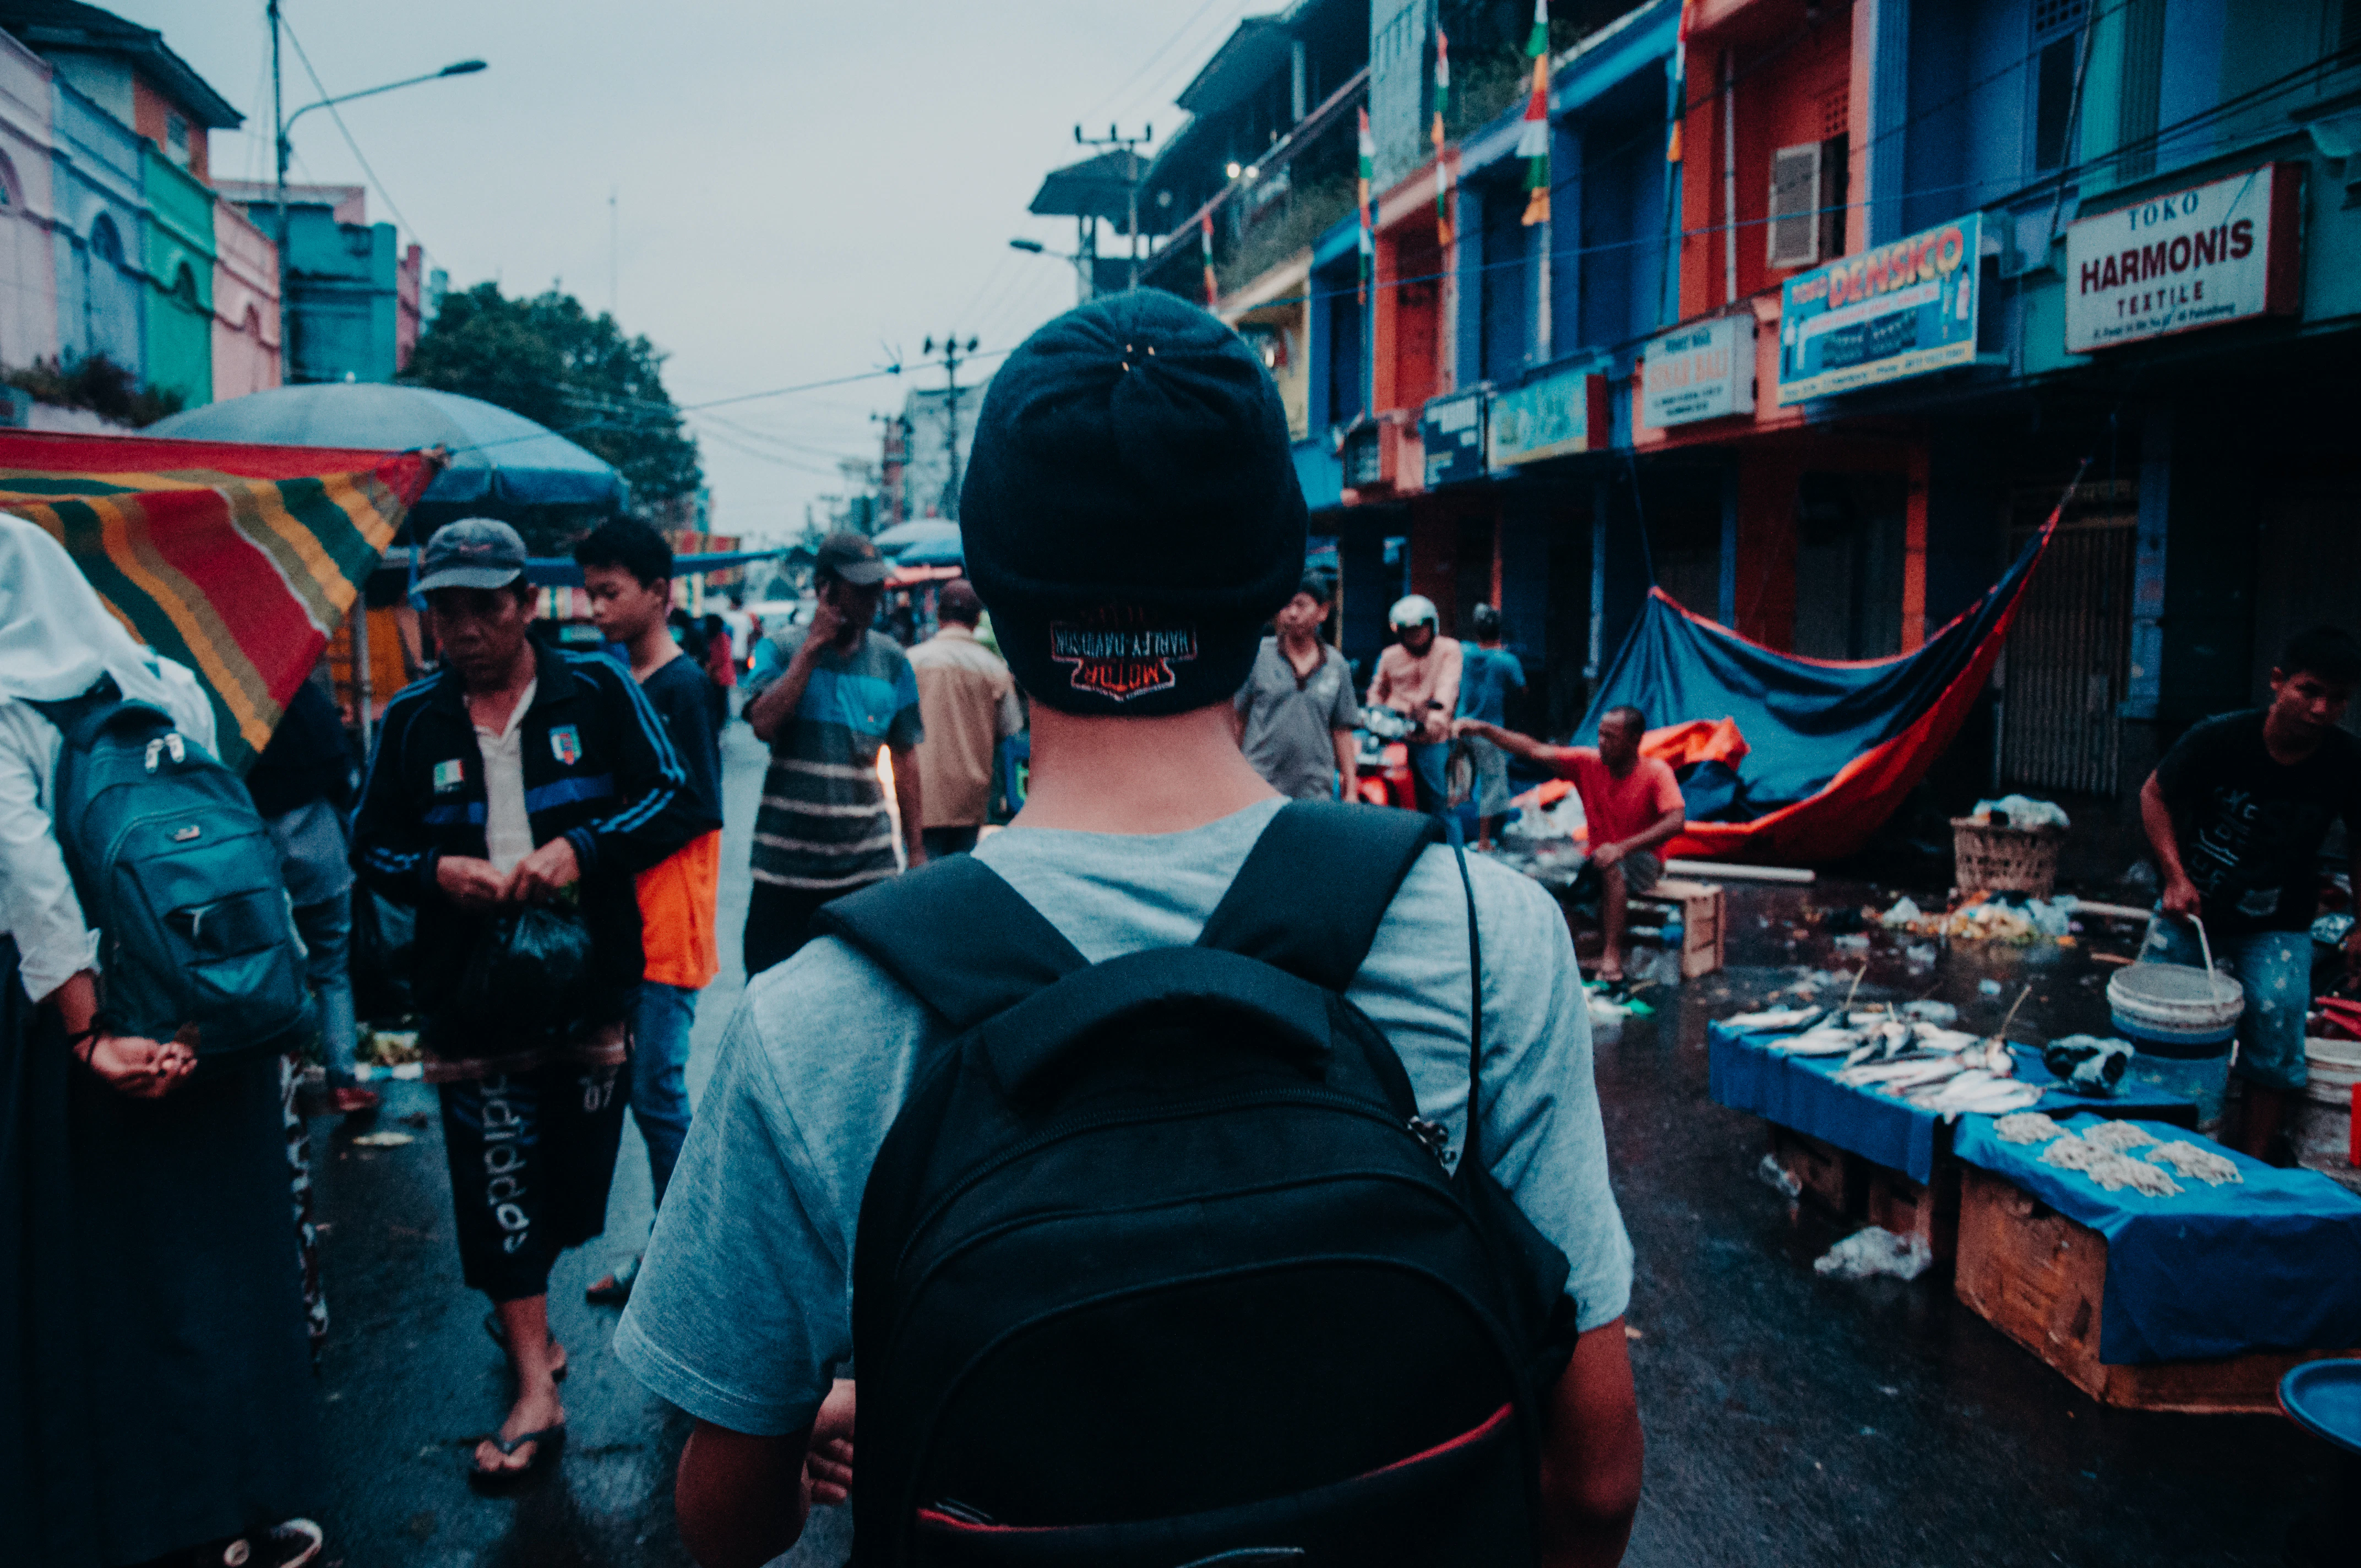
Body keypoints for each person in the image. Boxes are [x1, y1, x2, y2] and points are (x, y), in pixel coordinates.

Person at [614, 291, 1640, 1568]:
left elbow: (724, 1517)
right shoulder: (1490, 937)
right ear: (1280, 586)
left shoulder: (823, 1011)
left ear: (986, 583)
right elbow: (1593, 1476)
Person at [350, 518, 712, 1484]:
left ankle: (529, 1307)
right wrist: (439, 871)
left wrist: (579, 849)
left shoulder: (597, 690)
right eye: (445, 609)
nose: (463, 628)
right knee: (492, 1170)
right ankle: (534, 1377)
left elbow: (675, 794)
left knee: (569, 1175)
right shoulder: (411, 722)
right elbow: (369, 845)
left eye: (482, 606)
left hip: (587, 980)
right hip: (468, 993)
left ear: (523, 605)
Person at [0, 514, 328, 1568]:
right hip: (216, 1015)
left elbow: (34, 888)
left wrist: (89, 1032)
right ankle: (263, 1495)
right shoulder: (165, 679)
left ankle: (150, 1515)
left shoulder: (8, 705)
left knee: (109, 1275)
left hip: (92, 1030)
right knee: (236, 1258)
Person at [574, 518, 728, 1305]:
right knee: (639, 1091)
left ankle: (690, 1256)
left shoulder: (683, 689)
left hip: (669, 921)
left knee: (657, 1093)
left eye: (610, 592)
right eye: (590, 592)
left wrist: (592, 845)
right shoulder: (619, 684)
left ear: (659, 594)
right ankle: (680, 1247)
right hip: (624, 925)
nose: (595, 608)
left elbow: (697, 805)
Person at [2139, 625, 2361, 1159]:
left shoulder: (2347, 760)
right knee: (2160, 1021)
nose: (2319, 708)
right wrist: (2174, 876)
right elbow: (2154, 794)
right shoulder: (2219, 737)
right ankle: (2147, 1137)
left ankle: (2250, 1159)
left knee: (2277, 1022)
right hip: (2193, 909)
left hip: (2279, 919)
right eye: (2308, 691)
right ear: (2277, 681)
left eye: (2335, 699)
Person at [739, 531, 925, 974]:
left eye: (877, 586)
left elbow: (906, 758)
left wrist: (915, 850)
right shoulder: (780, 649)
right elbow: (763, 724)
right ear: (825, 588)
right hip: (785, 871)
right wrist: (811, 650)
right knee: (771, 995)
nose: (874, 597)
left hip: (867, 870)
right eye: (861, 587)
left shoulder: (893, 661)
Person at [1455, 704, 1685, 984]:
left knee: (1612, 863)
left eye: (1610, 737)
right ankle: (1554, 952)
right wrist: (1485, 730)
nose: (1602, 742)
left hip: (1644, 859)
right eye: (1600, 735)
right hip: (1598, 858)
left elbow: (1676, 822)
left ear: (1635, 740)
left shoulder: (1656, 772)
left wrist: (1622, 848)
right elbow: (1532, 750)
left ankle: (1611, 956)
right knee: (1550, 871)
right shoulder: (1587, 763)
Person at [246, 672, 377, 1118]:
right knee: (332, 972)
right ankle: (343, 1080)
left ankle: (286, 1083)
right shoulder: (310, 704)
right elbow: (347, 783)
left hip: (259, 866)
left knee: (272, 976)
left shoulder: (236, 715)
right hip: (321, 859)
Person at [905, 576, 1024, 858]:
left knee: (922, 888)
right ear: (977, 618)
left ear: (938, 615)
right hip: (970, 803)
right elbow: (1011, 730)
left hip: (920, 797)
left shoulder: (910, 662)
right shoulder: (994, 669)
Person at [1233, 571, 1360, 801]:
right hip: (1258, 786)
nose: (1292, 613)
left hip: (1314, 790)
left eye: (1301, 605)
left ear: (1323, 611)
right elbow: (1238, 720)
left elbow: (1342, 731)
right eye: (1286, 605)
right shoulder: (1257, 656)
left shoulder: (1336, 665)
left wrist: (1350, 790)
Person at [1367, 593, 1462, 814]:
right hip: (1394, 734)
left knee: (1441, 800)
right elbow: (1377, 690)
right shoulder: (1389, 656)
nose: (1415, 636)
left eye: (1419, 629)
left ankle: (1447, 844)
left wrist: (1432, 722)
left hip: (1431, 736)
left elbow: (1447, 690)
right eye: (1407, 631)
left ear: (1432, 626)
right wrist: (1373, 713)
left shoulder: (1449, 649)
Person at [1457, 603, 1527, 850]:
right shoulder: (1507, 660)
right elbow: (1522, 690)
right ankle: (1484, 840)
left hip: (1461, 727)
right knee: (1491, 782)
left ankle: (1460, 833)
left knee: (1462, 783)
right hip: (1489, 732)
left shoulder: (1464, 652)